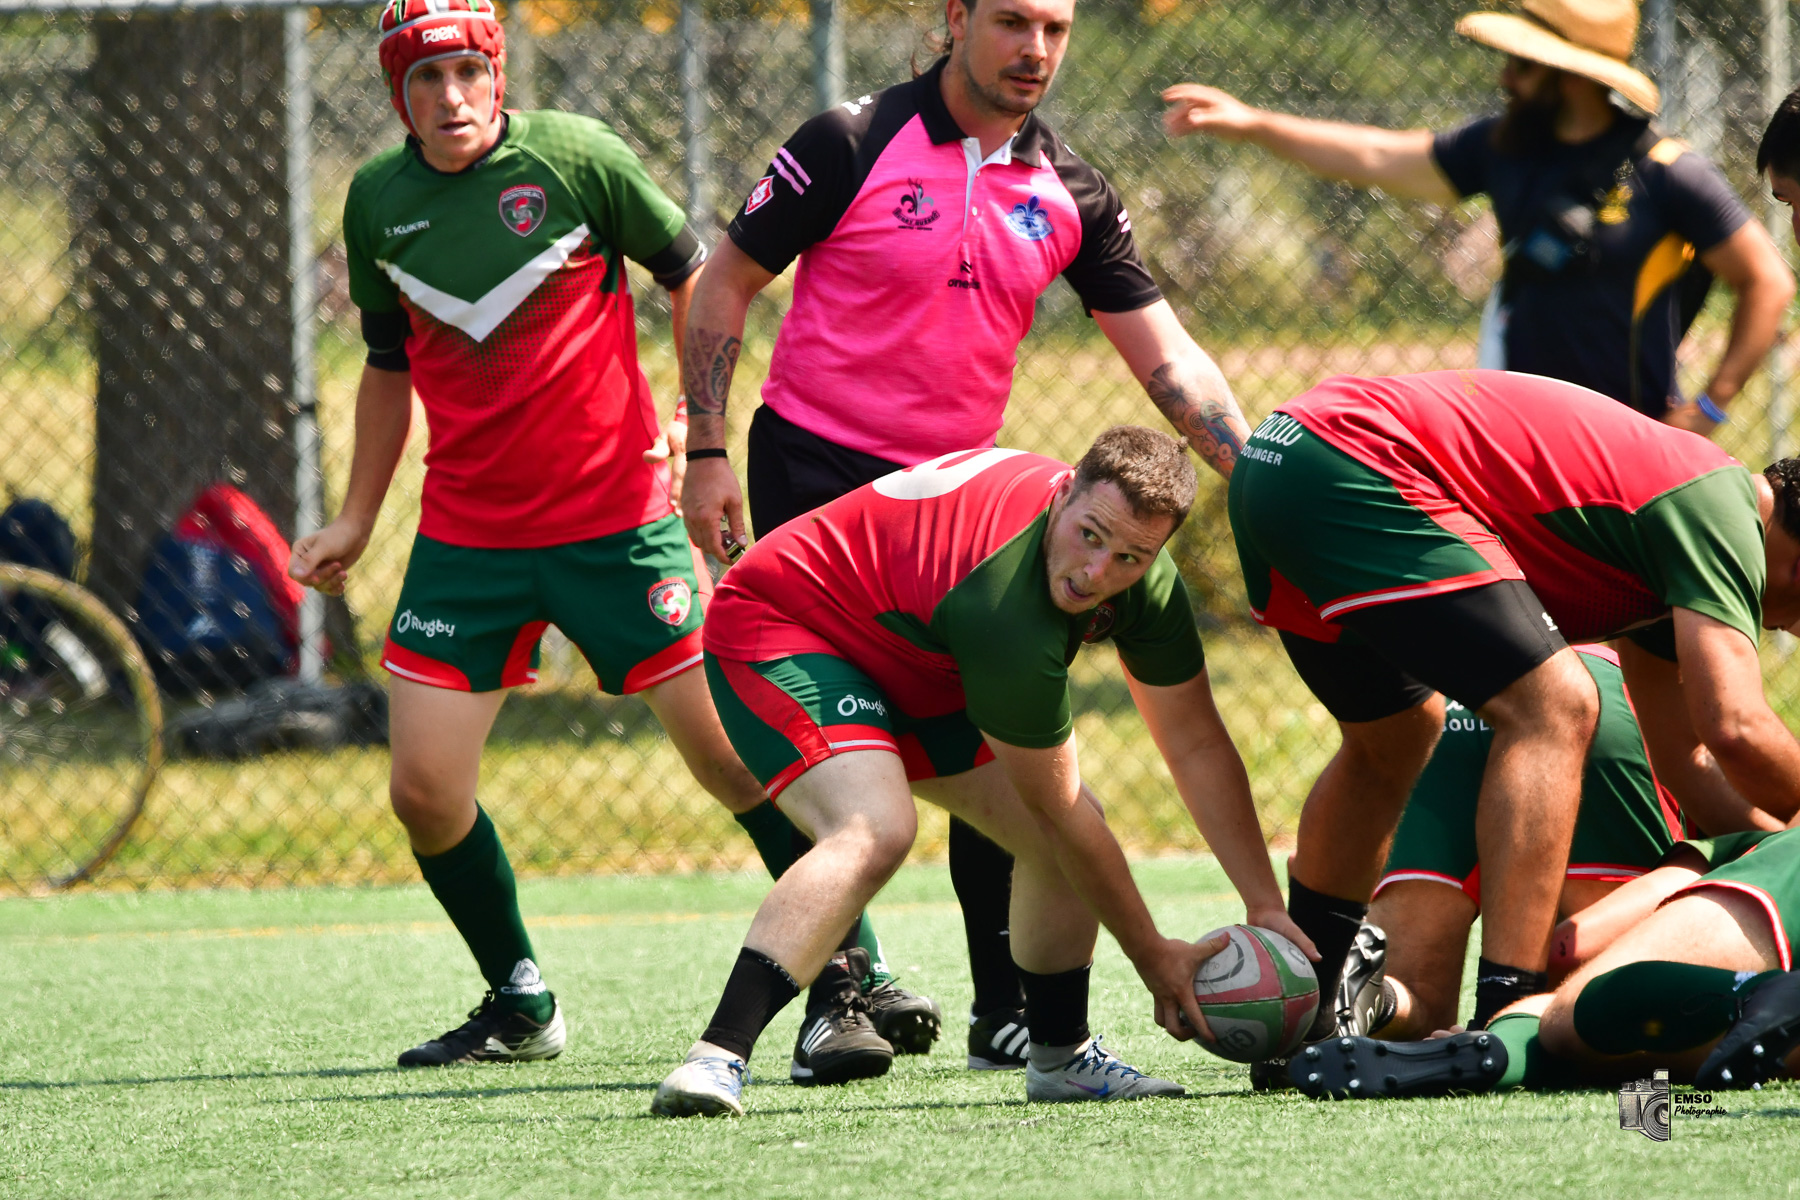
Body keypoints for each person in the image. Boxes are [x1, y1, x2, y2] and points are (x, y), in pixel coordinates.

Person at [678, 0, 1253, 1073]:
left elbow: (1168, 362)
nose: (1035, 49)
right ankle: (833, 997)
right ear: (956, 19)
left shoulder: (1071, 191)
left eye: (1057, 28)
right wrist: (704, 446)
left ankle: (1015, 1017)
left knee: (1000, 745)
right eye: (1011, 22)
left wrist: (1259, 478)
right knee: (851, 755)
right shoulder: (848, 142)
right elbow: (726, 282)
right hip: (818, 472)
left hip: (958, 511)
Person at [287, 0, 772, 1066]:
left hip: (620, 521)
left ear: (497, 75)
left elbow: (695, 272)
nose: (450, 97)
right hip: (469, 540)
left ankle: (849, 975)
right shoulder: (376, 201)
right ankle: (521, 1001)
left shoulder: (576, 157)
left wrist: (698, 418)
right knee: (422, 790)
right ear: (394, 94)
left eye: (467, 72)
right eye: (424, 80)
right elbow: (385, 364)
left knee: (734, 759)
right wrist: (358, 518)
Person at [650, 429, 1313, 1117]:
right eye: (1089, 535)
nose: (1096, 573)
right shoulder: (1008, 601)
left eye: (1128, 557)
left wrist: (1263, 901)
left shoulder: (1142, 586)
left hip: (919, 652)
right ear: (1064, 494)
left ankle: (1060, 1057)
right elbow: (1059, 806)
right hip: (786, 627)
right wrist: (1154, 957)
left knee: (1058, 835)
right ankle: (715, 1058)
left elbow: (1197, 744)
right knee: (877, 827)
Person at [1227, 368, 1800, 1057]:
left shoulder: (1672, 556)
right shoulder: (1723, 510)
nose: (1789, 632)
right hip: (1352, 458)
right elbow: (1734, 727)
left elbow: (1687, 760)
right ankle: (1507, 1004)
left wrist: (1776, 843)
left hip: (1283, 458)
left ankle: (1311, 1003)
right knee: (1553, 704)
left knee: (1395, 740)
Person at [1162, 0, 1793, 432]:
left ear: (1570, 75)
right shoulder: (1504, 148)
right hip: (1514, 433)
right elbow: (1378, 154)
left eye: (1523, 63)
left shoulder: (1665, 169)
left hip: (1631, 438)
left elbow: (1766, 280)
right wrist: (1252, 124)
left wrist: (1712, 406)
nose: (1506, 77)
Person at [1294, 827, 1800, 1097]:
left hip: (1784, 862)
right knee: (1655, 1065)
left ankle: (1499, 1047)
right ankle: (1498, 1050)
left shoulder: (1756, 837)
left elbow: (1571, 947)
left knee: (1567, 1014)